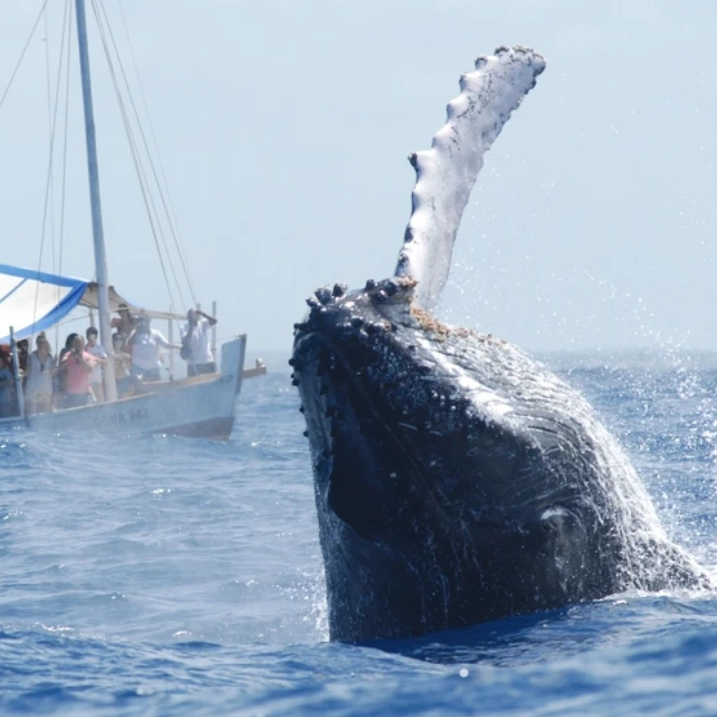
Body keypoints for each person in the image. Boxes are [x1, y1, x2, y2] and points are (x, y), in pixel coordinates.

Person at [126, 314, 180, 382]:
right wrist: (136, 331)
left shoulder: (155, 333)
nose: (143, 323)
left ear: (148, 322)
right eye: (141, 321)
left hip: (153, 368)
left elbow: (165, 344)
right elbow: (129, 343)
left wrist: (178, 347)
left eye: (144, 321)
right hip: (139, 368)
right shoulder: (134, 333)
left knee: (156, 387)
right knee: (139, 389)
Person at [59, 334, 96, 408]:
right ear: (73, 344)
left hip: (86, 392)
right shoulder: (68, 355)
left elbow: (90, 369)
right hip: (72, 393)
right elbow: (60, 366)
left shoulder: (89, 356)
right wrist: (70, 357)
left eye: (79, 342)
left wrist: (82, 360)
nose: (77, 344)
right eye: (75, 342)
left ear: (83, 343)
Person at [180, 308, 218, 376]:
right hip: (193, 363)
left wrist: (203, 314)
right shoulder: (184, 328)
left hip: (207, 361)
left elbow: (214, 321)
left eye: (195, 314)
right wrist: (191, 326)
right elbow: (185, 341)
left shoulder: (203, 324)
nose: (193, 316)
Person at [24, 333, 55, 415]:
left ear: (46, 343)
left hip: (46, 387)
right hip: (33, 387)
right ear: (36, 343)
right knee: (32, 411)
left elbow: (53, 372)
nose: (42, 344)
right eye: (40, 342)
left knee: (47, 410)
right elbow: (27, 371)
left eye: (43, 342)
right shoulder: (32, 356)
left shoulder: (50, 357)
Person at [85, 326, 107, 403]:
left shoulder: (99, 348)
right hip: (87, 379)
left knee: (100, 398)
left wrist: (96, 359)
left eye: (94, 337)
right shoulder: (84, 349)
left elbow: (105, 362)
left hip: (97, 378)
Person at [112, 332, 136, 398]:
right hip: (114, 381)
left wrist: (125, 361)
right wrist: (121, 357)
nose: (118, 341)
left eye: (120, 339)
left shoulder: (125, 353)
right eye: (116, 339)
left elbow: (129, 367)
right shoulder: (111, 352)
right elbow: (112, 357)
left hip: (124, 379)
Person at [0, 353, 17, 418]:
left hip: (6, 400)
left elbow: (11, 381)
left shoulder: (6, 371)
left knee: (6, 418)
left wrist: (3, 383)